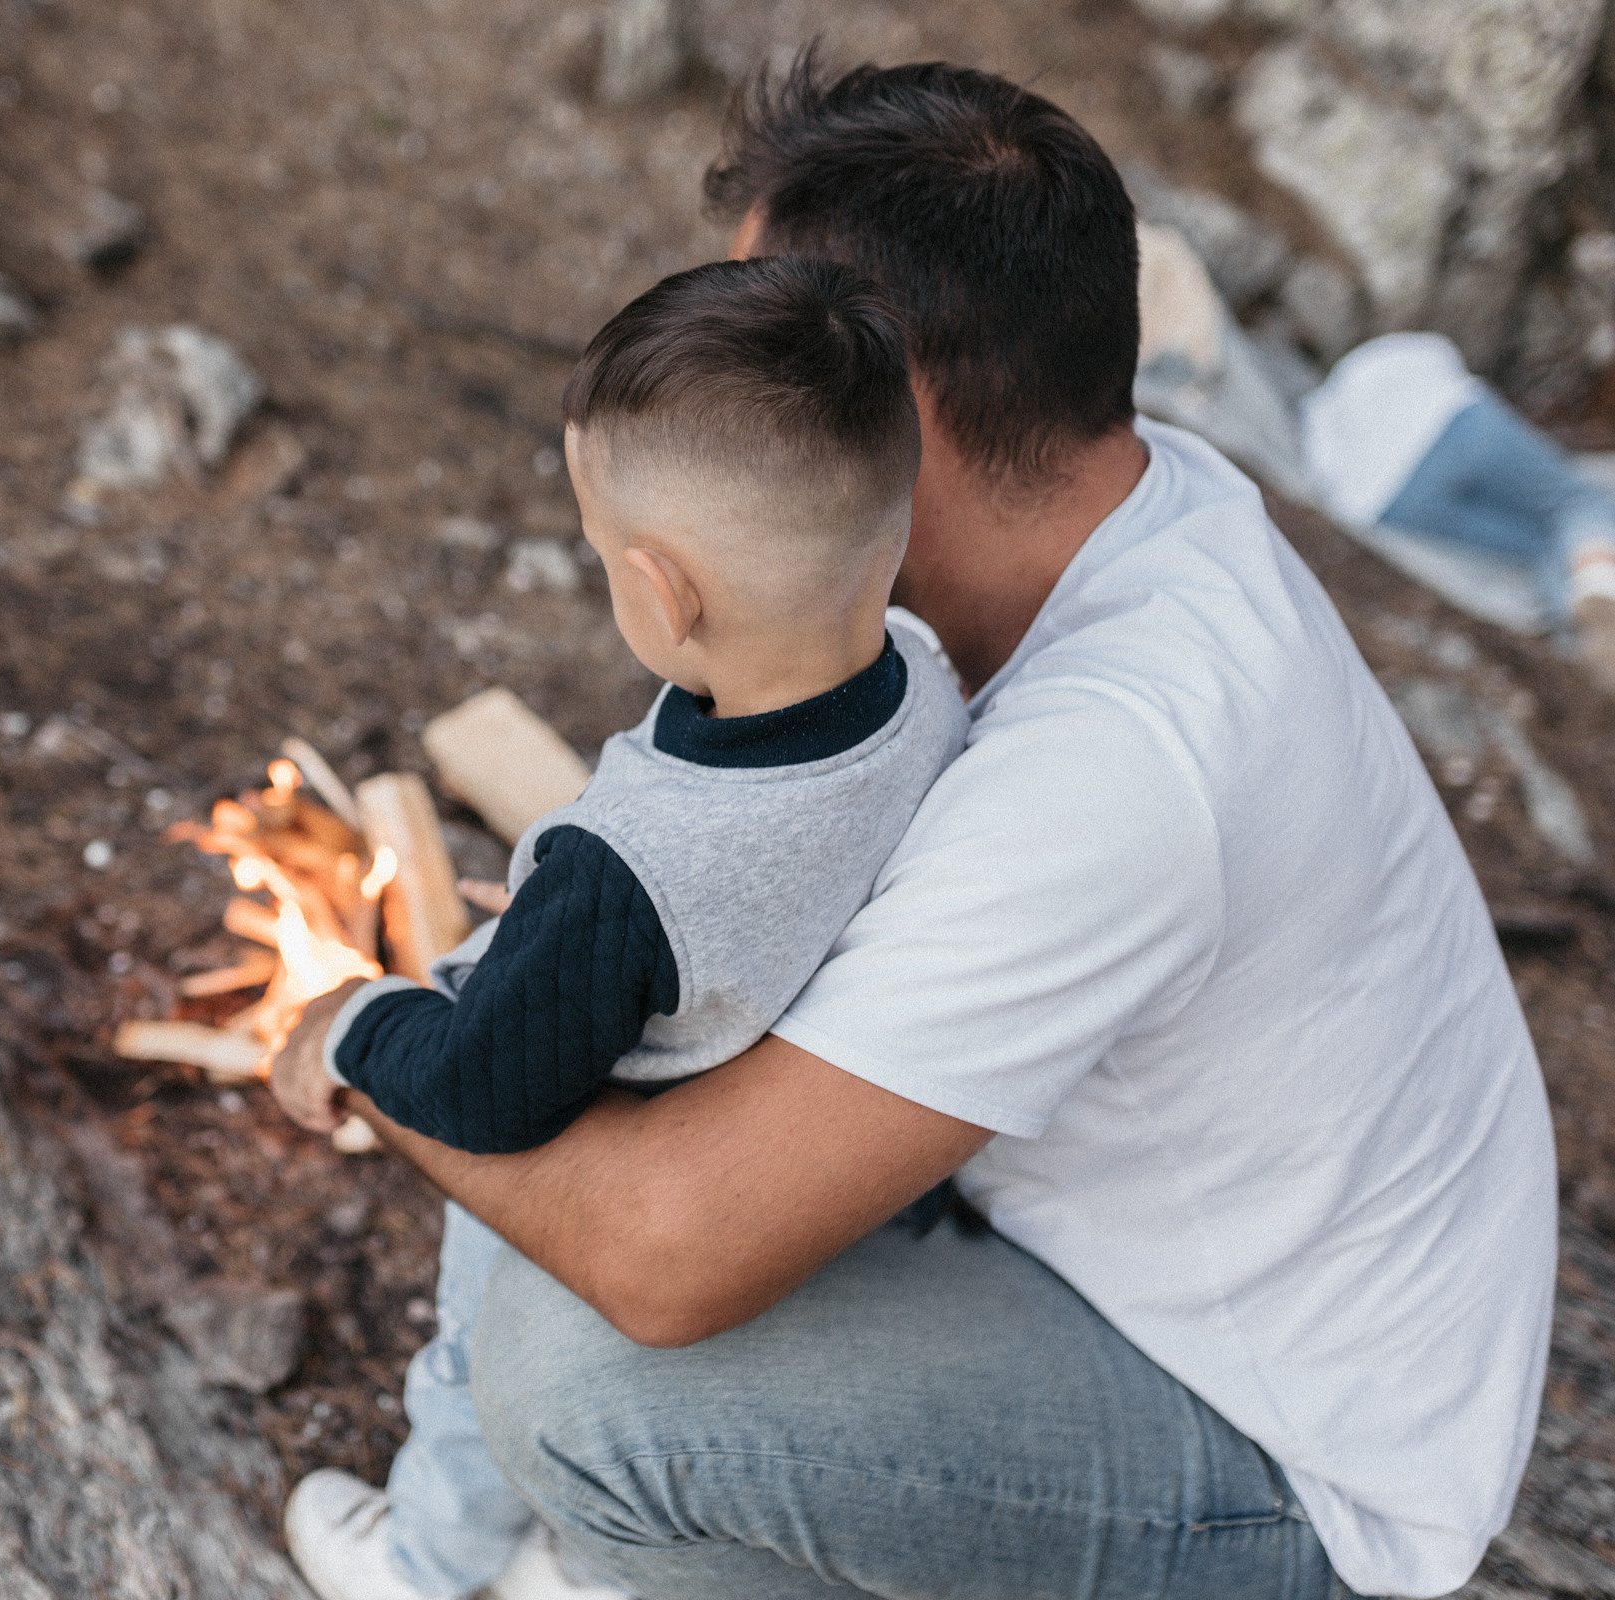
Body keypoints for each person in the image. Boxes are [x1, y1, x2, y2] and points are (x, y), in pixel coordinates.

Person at [270, 49, 1556, 1600]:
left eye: (774, 353)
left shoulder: (1120, 769)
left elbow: (667, 1265)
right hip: (1171, 1267)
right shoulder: (1125, 507)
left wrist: (374, 1035)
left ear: (906, 412)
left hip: (1286, 1459)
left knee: (586, 1375)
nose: (736, 383)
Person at [278, 255, 966, 1600]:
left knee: (480, 1353)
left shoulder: (627, 871)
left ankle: (425, 1560)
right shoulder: (926, 684)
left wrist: (356, 1021)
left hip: (623, 1136)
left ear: (661, 596)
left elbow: (488, 1097)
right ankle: (590, 1562)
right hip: (776, 1108)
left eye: (600, 552)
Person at [1300, 331, 1615, 690]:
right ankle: (1601, 585)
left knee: (1539, 545)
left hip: (1394, 500)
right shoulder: (1393, 350)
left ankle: (1586, 647)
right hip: (1454, 421)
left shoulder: (1319, 422)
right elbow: (1448, 363)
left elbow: (1332, 492)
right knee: (1576, 501)